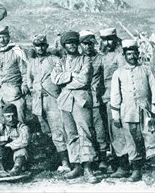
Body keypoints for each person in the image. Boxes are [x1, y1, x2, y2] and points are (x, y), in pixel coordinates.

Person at [111, 40, 155, 181]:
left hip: (146, 111)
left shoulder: (147, 69)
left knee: (152, 138)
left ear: (138, 54)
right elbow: (115, 95)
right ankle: (136, 171)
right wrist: (116, 116)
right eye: (129, 54)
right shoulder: (118, 73)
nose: (132, 56)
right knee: (132, 141)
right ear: (124, 55)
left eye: (134, 53)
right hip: (127, 112)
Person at [51, 31, 98, 183]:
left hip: (81, 99)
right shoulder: (60, 61)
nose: (71, 45)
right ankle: (76, 165)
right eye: (68, 43)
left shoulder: (85, 60)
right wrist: (72, 74)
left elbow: (84, 80)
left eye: (74, 43)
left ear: (78, 44)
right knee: (70, 134)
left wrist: (66, 78)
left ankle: (88, 168)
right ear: (64, 45)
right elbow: (55, 79)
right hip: (65, 100)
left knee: (85, 132)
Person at [24, 34, 70, 172]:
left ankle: (66, 162)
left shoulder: (54, 59)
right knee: (45, 132)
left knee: (58, 130)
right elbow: (28, 79)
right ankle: (52, 160)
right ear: (34, 47)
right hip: (38, 101)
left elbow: (62, 76)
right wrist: (33, 89)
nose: (40, 48)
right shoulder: (32, 62)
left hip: (52, 99)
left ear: (46, 46)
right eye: (37, 46)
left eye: (43, 45)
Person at [99, 27, 128, 176]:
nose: (107, 42)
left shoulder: (119, 55)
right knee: (109, 132)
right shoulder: (104, 56)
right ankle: (115, 162)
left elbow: (123, 79)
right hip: (104, 98)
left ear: (116, 39)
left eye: (110, 39)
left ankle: (124, 166)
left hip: (116, 98)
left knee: (118, 132)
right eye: (104, 39)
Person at [79, 30, 110, 171]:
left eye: (90, 44)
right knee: (86, 129)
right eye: (85, 44)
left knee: (100, 130)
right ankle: (90, 159)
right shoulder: (78, 59)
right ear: (80, 44)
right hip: (82, 100)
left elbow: (106, 78)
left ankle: (103, 158)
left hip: (96, 99)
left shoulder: (101, 59)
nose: (88, 47)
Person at [0, 26, 28, 125]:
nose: (2, 40)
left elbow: (25, 70)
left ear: (8, 37)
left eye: (4, 37)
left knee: (19, 113)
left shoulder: (16, 51)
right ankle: (4, 135)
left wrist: (24, 84)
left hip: (12, 87)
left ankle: (22, 136)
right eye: (0, 37)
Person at [0, 104, 30, 177]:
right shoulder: (0, 127)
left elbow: (24, 141)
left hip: (20, 160)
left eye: (13, 116)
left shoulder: (22, 127)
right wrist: (5, 138)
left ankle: (16, 169)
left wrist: (8, 145)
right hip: (5, 159)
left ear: (17, 116)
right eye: (8, 116)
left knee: (21, 149)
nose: (11, 119)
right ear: (3, 118)